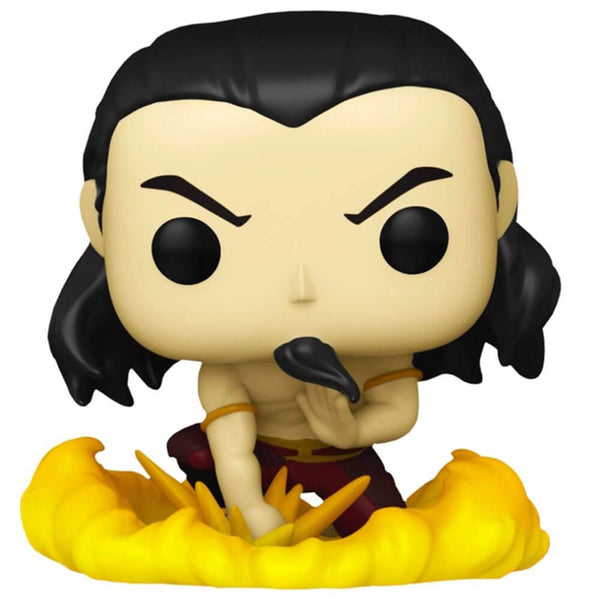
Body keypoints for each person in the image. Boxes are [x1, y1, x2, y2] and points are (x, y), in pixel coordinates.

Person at [49, 12, 560, 538]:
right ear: (101, 221)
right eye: (190, 247)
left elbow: (400, 410)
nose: (302, 288)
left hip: (347, 458)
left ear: (498, 202)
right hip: (258, 464)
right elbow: (233, 445)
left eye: (410, 236)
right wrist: (250, 507)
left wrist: (352, 429)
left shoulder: (377, 354)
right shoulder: (230, 370)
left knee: (391, 533)